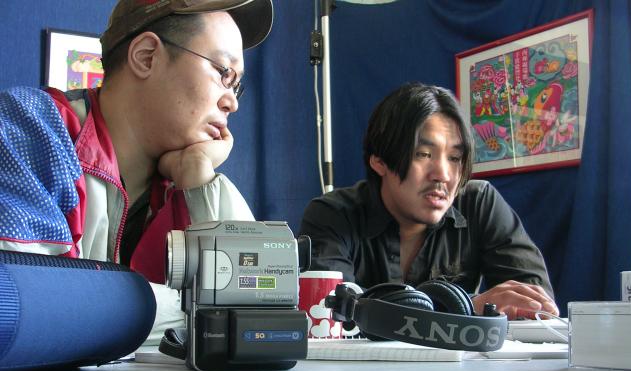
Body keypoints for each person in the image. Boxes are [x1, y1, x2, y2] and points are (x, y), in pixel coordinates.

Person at [0, 0, 273, 284]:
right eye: (223, 72)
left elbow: (253, 298)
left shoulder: (182, 179)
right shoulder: (28, 127)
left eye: (236, 86)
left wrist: (198, 174)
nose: (232, 103)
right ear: (146, 57)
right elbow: (24, 293)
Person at [299, 83, 559, 320]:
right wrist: (466, 307)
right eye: (423, 154)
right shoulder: (332, 214)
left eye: (454, 158)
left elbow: (535, 300)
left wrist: (513, 305)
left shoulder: (479, 203)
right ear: (379, 160)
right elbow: (328, 309)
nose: (443, 175)